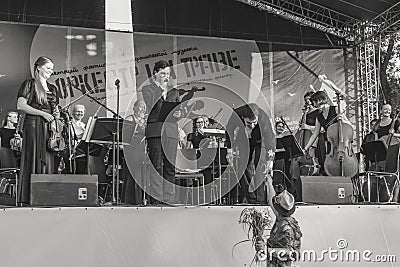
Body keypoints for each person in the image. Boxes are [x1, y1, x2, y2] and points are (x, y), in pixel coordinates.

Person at [16, 56, 59, 206]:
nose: (51, 72)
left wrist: (55, 117)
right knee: (33, 156)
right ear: (39, 68)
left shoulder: (53, 88)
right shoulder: (29, 84)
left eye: (52, 69)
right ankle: (30, 196)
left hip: (48, 127)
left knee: (48, 158)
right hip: (33, 125)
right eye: (48, 68)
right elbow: (21, 106)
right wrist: (42, 114)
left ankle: (45, 196)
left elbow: (55, 109)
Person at [142, 60, 181, 204]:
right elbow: (152, 105)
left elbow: (179, 110)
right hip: (156, 131)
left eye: (168, 74)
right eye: (163, 73)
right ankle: (157, 199)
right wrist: (161, 88)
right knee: (156, 166)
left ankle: (169, 198)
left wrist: (178, 114)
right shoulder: (149, 89)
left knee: (170, 166)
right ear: (155, 74)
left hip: (171, 131)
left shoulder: (175, 92)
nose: (166, 77)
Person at [226, 103, 275, 204]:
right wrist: (229, 152)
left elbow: (270, 139)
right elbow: (229, 130)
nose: (252, 126)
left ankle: (260, 200)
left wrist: (269, 161)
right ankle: (250, 197)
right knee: (242, 167)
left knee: (260, 167)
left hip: (259, 140)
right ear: (243, 118)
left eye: (254, 122)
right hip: (243, 139)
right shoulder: (236, 115)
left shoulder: (263, 117)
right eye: (249, 123)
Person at [260, 174, 302, 266]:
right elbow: (271, 201)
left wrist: (264, 248)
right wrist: (269, 184)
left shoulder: (287, 228)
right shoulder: (283, 220)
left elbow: (289, 252)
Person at [303, 90, 344, 175]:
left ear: (320, 100)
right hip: (329, 143)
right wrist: (306, 148)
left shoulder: (335, 109)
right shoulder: (319, 116)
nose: (314, 105)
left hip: (339, 140)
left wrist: (341, 119)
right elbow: (315, 134)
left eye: (315, 102)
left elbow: (347, 124)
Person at [123, 99, 147, 205]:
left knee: (141, 175)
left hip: (141, 150)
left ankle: (140, 199)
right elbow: (125, 135)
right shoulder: (129, 119)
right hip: (131, 150)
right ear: (134, 108)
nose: (143, 109)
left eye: (144, 107)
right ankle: (130, 199)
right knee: (133, 174)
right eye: (141, 106)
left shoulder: (145, 121)